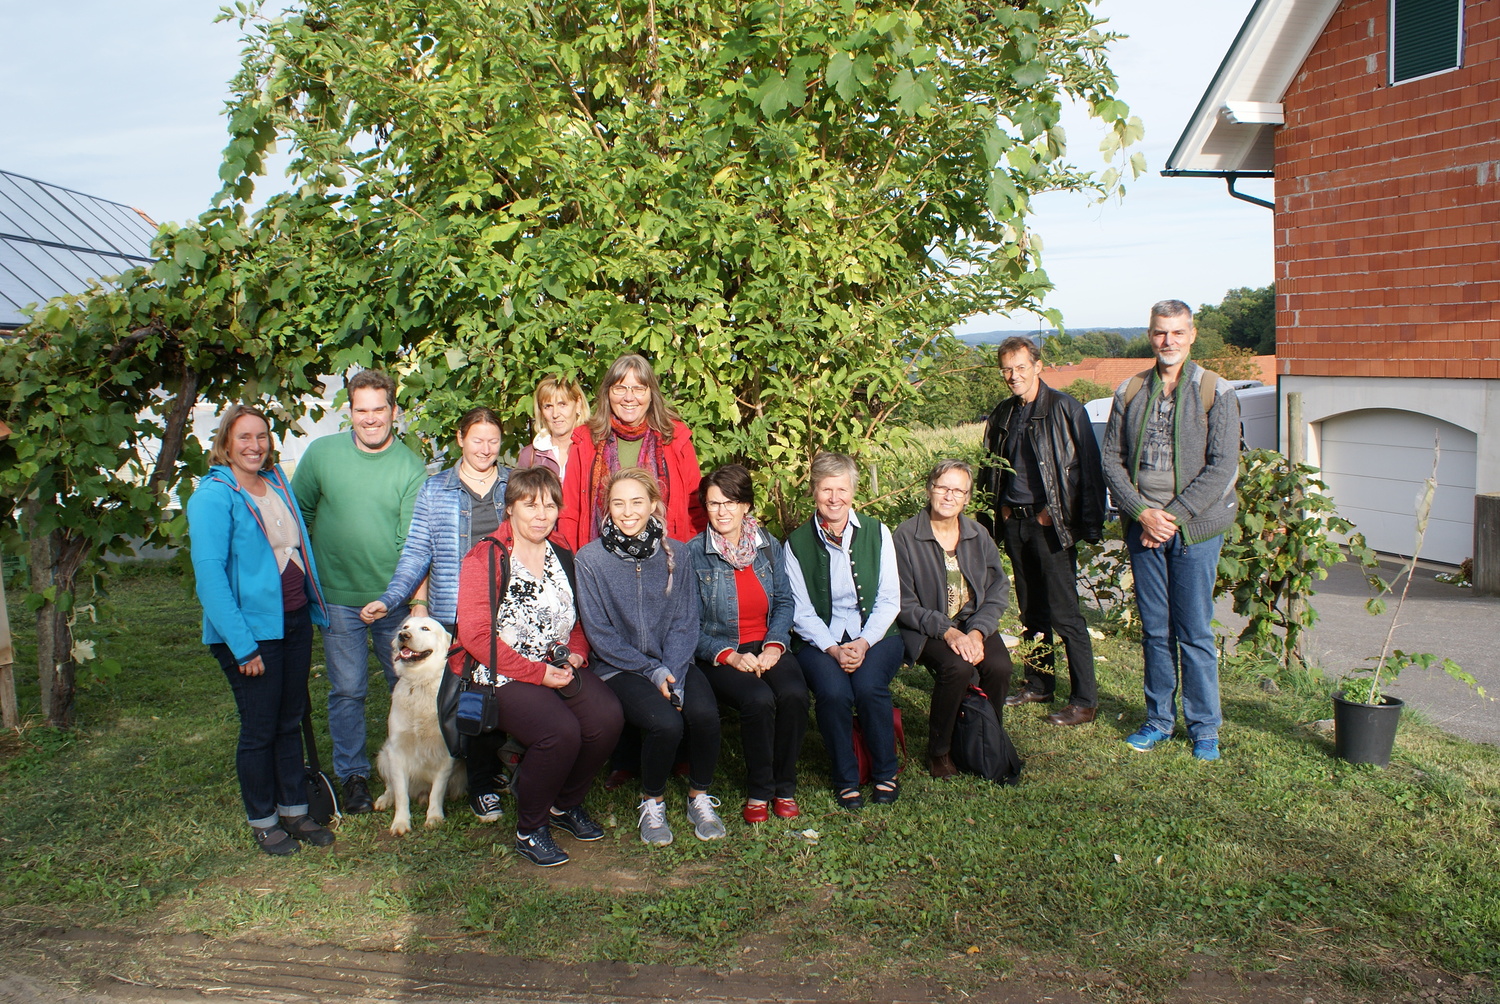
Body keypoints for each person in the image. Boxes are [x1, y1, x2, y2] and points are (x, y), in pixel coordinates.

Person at [451, 466, 624, 867]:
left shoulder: (560, 548)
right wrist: (537, 673)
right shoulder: (487, 556)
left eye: (549, 505)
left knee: (607, 718)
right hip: (500, 672)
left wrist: (576, 652)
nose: (541, 515)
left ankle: (564, 803)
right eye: (530, 505)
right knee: (558, 732)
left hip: (556, 664)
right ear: (510, 508)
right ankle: (530, 829)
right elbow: (476, 636)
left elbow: (577, 616)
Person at [188, 405, 335, 855]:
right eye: (244, 437)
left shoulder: (275, 482)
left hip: (293, 620)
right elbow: (210, 578)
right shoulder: (213, 496)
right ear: (225, 443)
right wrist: (243, 647)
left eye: (262, 436)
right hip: (251, 633)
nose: (254, 446)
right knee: (260, 728)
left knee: (290, 720)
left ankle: (294, 810)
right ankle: (263, 820)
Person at [1102, 300, 1241, 761]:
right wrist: (1143, 513)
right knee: (1155, 630)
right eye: (1161, 332)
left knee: (1195, 631)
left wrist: (1172, 517)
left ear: (1192, 335)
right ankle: (1159, 720)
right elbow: (1111, 460)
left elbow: (1223, 467)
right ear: (1150, 335)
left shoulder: (1215, 391)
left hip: (1195, 530)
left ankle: (1204, 729)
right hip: (1144, 527)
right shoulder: (1130, 390)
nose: (1169, 341)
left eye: (1177, 332)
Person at [359, 407, 509, 820]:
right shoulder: (435, 489)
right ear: (460, 439)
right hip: (452, 613)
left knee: (501, 694)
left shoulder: (513, 485)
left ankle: (495, 770)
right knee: (464, 700)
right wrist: (392, 599)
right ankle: (480, 784)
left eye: (493, 441)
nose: (485, 449)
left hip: (505, 611)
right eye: (476, 440)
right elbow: (416, 553)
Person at [292, 369, 427, 813]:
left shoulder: (409, 466)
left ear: (394, 411)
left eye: (378, 409)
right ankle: (353, 776)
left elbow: (412, 543)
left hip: (392, 599)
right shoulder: (321, 455)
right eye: (361, 410)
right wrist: (308, 576)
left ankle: (410, 769)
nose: (370, 419)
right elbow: (298, 515)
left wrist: (404, 599)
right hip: (337, 597)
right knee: (347, 690)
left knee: (403, 685)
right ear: (350, 411)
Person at [574, 468, 724, 845]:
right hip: (620, 666)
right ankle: (652, 803)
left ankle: (699, 797)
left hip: (674, 659)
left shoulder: (677, 554)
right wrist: (651, 671)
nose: (628, 512)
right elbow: (600, 634)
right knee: (666, 724)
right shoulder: (590, 559)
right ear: (607, 508)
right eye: (618, 503)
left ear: (654, 504)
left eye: (637, 502)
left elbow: (685, 620)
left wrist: (672, 671)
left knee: (705, 715)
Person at [980, 336, 1107, 727]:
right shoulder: (1002, 413)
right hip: (1013, 523)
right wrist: (997, 516)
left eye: (1020, 367)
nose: (1013, 376)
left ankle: (1084, 700)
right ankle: (1039, 684)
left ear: (1037, 366)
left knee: (1065, 615)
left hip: (1049, 526)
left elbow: (1089, 470)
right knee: (1031, 611)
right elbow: (989, 469)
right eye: (1007, 369)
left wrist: (1071, 520)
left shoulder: (1066, 409)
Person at [687, 464, 809, 823]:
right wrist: (730, 657)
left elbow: (784, 601)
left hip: (767, 643)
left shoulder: (767, 545)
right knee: (758, 699)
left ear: (745, 506)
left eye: (730, 502)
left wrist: (775, 644)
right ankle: (760, 790)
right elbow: (688, 625)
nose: (722, 511)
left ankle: (784, 786)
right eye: (714, 504)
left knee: (794, 694)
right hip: (721, 651)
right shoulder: (693, 554)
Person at [784, 453, 905, 810]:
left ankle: (885, 771)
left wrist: (864, 642)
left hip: (876, 633)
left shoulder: (877, 532)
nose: (834, 498)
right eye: (826, 489)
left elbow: (889, 599)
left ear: (853, 491)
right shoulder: (796, 543)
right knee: (834, 693)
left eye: (842, 489)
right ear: (814, 492)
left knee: (868, 687)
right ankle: (845, 777)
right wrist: (833, 648)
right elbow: (800, 611)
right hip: (818, 639)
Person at [894, 460, 1021, 782]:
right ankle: (940, 749)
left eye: (958, 491)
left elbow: (997, 589)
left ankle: (985, 736)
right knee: (958, 667)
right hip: (926, 627)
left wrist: (977, 632)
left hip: (972, 622)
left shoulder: (978, 533)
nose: (949, 496)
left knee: (999, 667)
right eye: (943, 488)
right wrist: (948, 632)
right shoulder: (906, 536)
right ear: (930, 489)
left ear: (967, 498)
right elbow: (902, 602)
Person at [557, 354, 706, 550]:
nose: (629, 397)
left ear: (651, 393)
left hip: (667, 556)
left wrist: (689, 555)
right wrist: (574, 560)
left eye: (638, 389)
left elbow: (695, 510)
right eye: (620, 388)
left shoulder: (676, 439)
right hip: (600, 556)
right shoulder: (586, 441)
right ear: (608, 393)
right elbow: (570, 512)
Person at [516, 375, 589, 481]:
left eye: (562, 404)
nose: (555, 414)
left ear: (578, 404)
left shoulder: (594, 449)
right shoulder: (529, 456)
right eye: (548, 406)